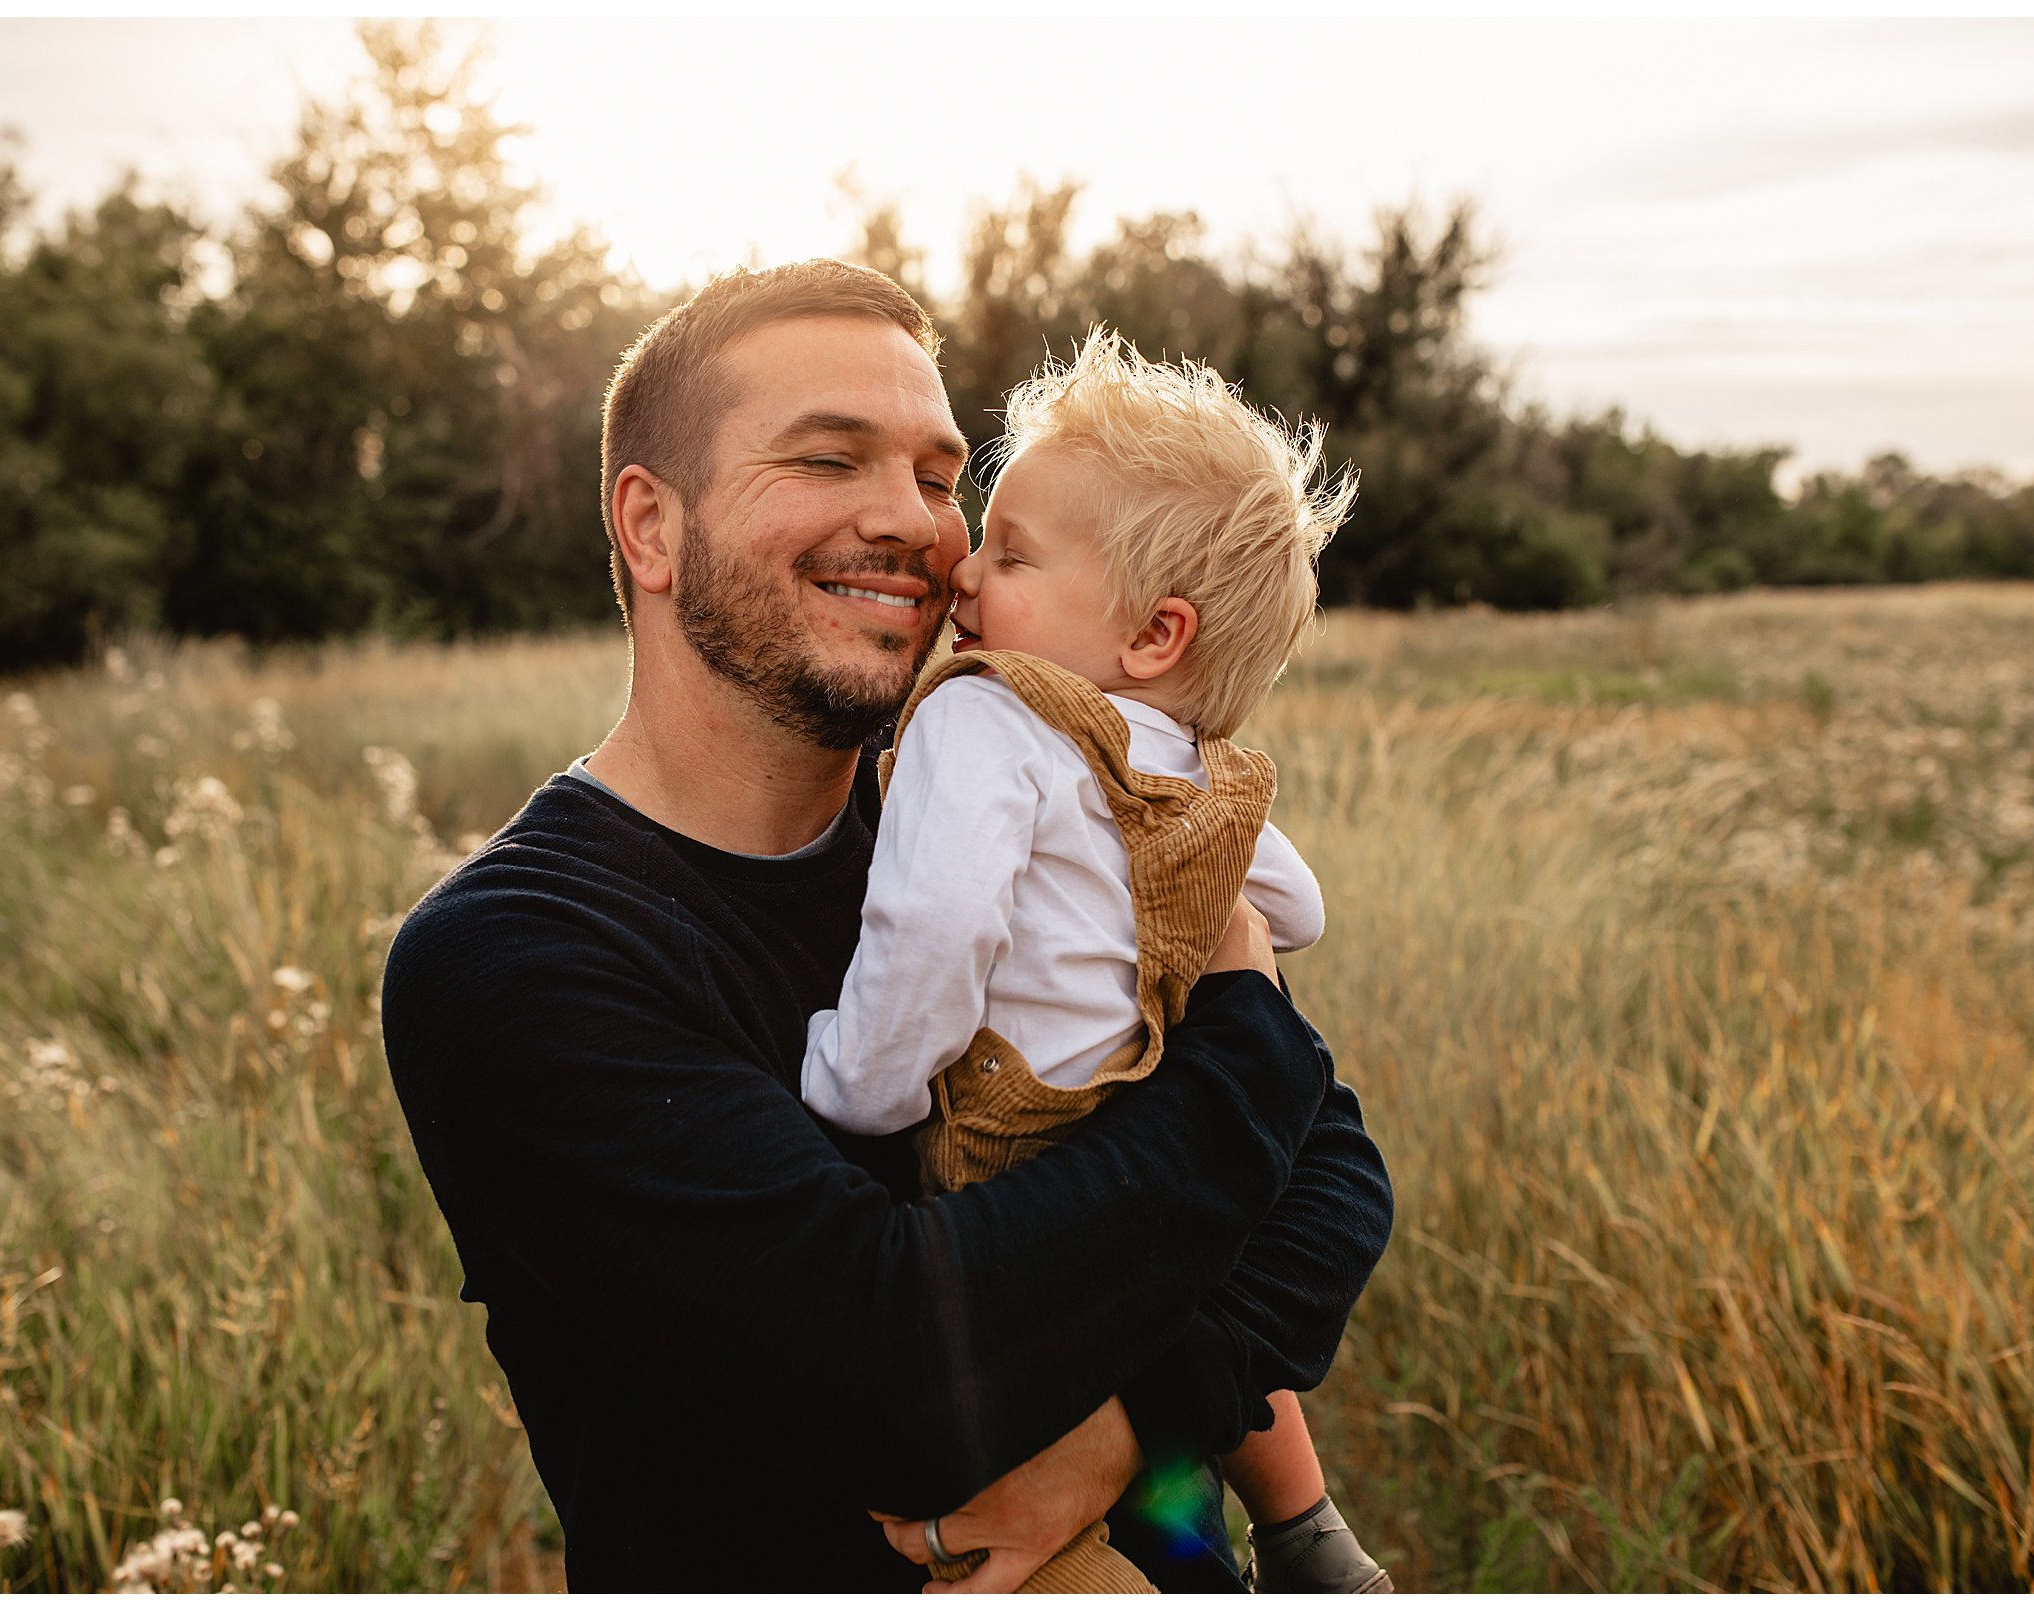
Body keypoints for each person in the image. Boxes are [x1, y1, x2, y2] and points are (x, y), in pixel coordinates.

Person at [380, 260, 1393, 1592]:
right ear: (650, 526)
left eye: (935, 473)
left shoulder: (1001, 816)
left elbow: (1332, 1180)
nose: (924, 529)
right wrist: (1250, 1025)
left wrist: (1130, 1426)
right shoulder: (514, 953)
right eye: (827, 458)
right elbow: (893, 1368)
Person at [799, 330, 1387, 1593]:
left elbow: (937, 935)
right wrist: (1210, 956)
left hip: (1021, 1135)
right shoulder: (1197, 766)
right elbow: (1294, 904)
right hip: (1162, 1105)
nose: (965, 576)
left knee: (1026, 1443)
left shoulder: (984, 713)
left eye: (1011, 555)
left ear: (1155, 630)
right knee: (1178, 1352)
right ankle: (1282, 1542)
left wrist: (858, 1082)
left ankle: (1127, 1553)